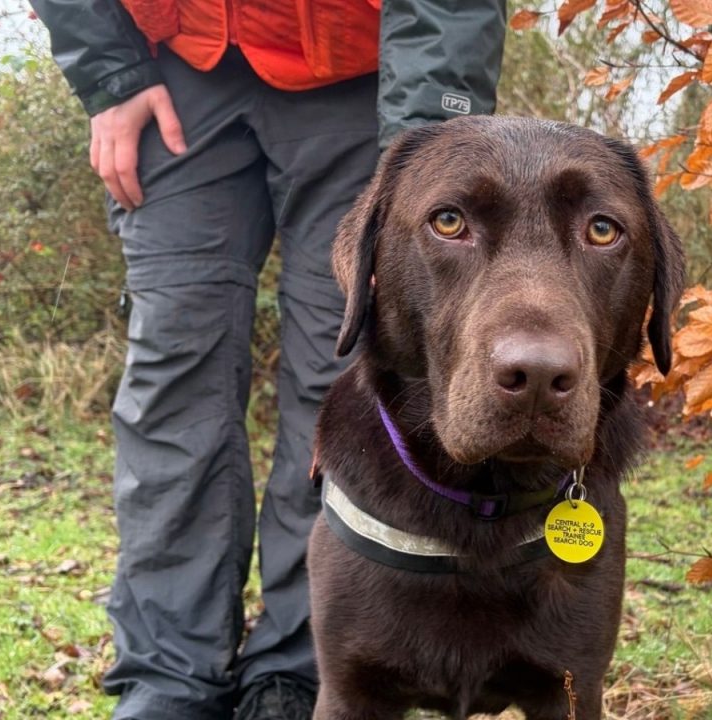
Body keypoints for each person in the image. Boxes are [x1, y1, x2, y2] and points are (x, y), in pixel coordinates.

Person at [28, 1, 507, 718]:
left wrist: (422, 155)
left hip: (369, 80)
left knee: (340, 373)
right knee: (173, 374)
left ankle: (302, 666)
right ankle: (169, 673)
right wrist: (111, 74)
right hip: (172, 72)